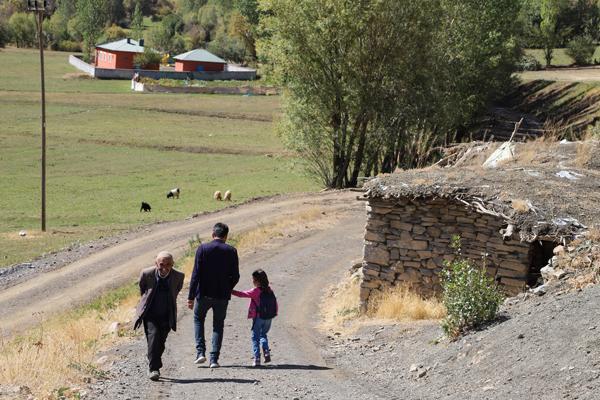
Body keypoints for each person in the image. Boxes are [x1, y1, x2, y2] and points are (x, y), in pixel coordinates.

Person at [187, 222, 240, 368]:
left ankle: (200, 353)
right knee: (218, 325)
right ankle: (214, 359)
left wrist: (191, 297)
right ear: (226, 236)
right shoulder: (231, 251)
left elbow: (195, 274)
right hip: (222, 296)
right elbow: (235, 276)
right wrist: (227, 288)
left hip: (203, 294)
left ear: (212, 234)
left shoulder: (203, 249)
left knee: (198, 320)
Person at [134, 251, 184, 381]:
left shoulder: (179, 276)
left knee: (161, 342)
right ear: (156, 263)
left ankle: (153, 358)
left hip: (167, 314)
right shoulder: (147, 273)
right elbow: (143, 289)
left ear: (173, 264)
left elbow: (177, 290)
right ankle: (154, 369)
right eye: (161, 264)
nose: (164, 267)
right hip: (150, 313)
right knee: (154, 337)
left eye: (168, 264)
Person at [232, 269, 278, 367]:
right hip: (269, 318)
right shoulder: (270, 290)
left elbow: (241, 294)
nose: (252, 281)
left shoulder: (256, 291)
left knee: (255, 338)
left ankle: (257, 358)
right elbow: (275, 304)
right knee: (263, 335)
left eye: (253, 279)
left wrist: (230, 291)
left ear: (258, 281)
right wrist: (274, 314)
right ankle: (266, 352)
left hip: (258, 318)